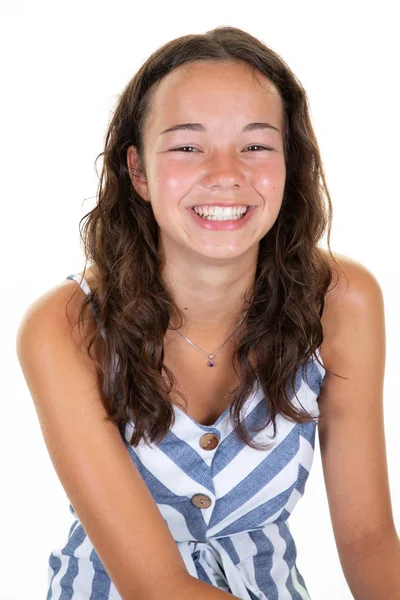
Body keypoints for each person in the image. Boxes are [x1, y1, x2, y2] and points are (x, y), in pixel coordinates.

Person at [15, 25, 400, 600]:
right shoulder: (63, 326)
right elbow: (155, 586)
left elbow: (369, 538)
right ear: (139, 172)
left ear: (289, 165)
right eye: (188, 146)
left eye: (256, 145)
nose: (226, 174)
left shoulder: (345, 303)